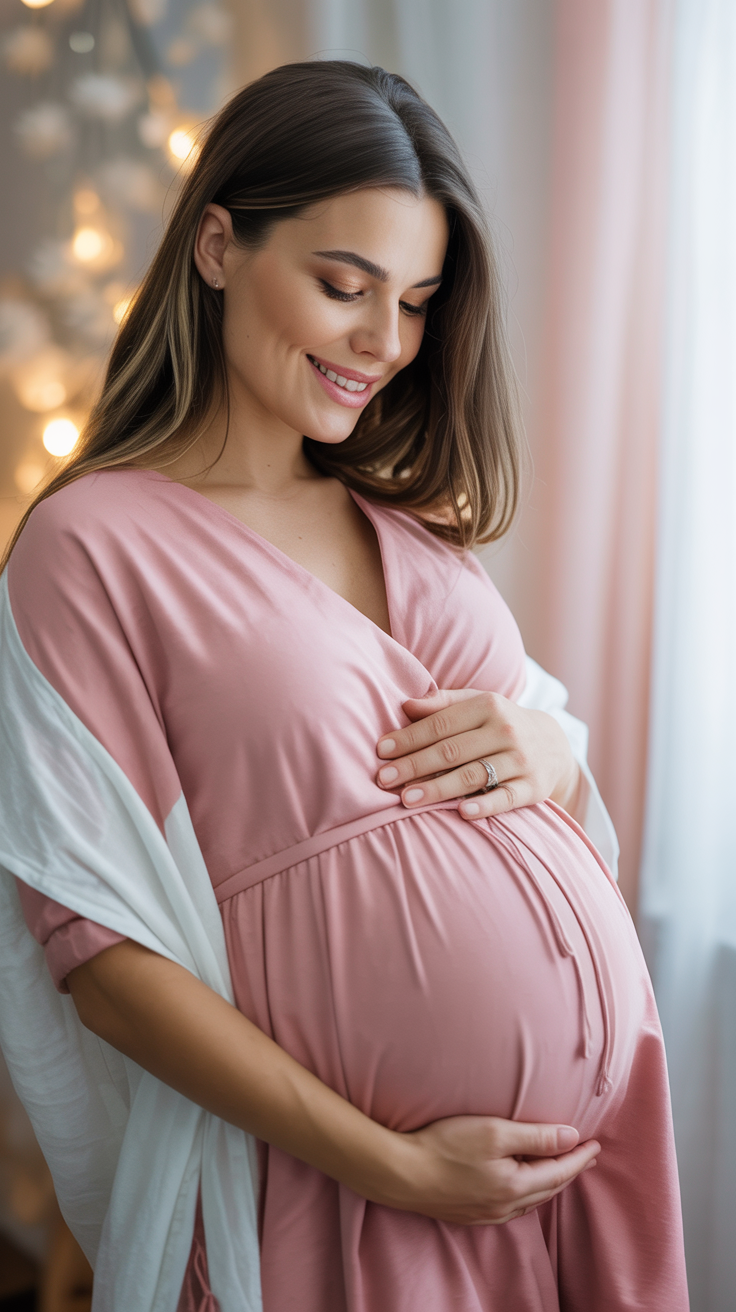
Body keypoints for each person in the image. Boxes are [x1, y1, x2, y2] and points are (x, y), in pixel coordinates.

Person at [0, 61, 687, 1312]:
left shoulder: (412, 532)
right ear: (218, 247)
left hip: (556, 1198)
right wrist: (398, 1165)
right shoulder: (92, 544)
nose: (385, 341)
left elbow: (543, 763)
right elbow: (102, 958)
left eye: (417, 301)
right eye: (343, 285)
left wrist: (551, 747)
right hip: (336, 1193)